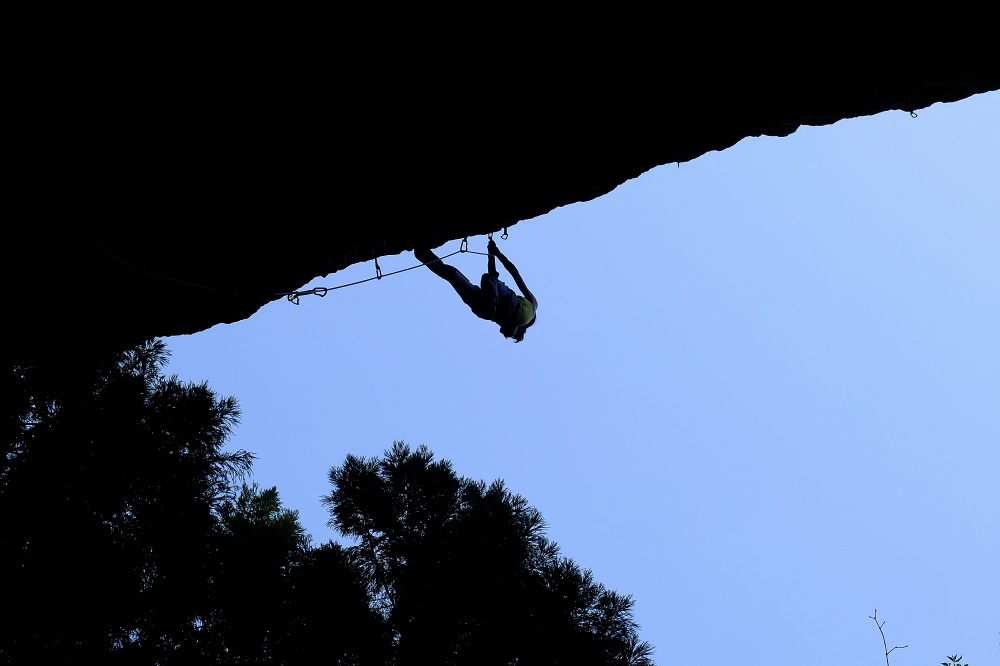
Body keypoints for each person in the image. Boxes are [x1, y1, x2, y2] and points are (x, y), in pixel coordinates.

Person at [414, 239, 537, 342]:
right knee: (452, 275)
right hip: (485, 309)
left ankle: (422, 253)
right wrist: (491, 255)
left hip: (508, 302)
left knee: (485, 278)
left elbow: (514, 273)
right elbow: (493, 277)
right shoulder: (512, 321)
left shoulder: (533, 305)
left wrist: (498, 253)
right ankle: (422, 253)